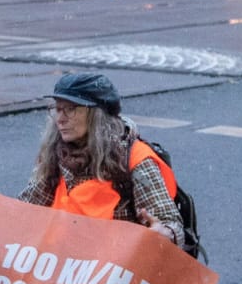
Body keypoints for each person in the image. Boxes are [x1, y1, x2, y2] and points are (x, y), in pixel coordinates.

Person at [20, 73, 184, 248]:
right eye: (58, 109)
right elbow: (24, 213)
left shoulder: (133, 158)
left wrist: (165, 233)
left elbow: (172, 224)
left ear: (96, 115)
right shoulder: (55, 154)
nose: (60, 118)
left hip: (113, 269)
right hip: (59, 266)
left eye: (70, 109)